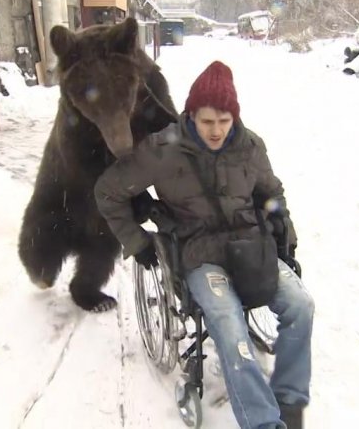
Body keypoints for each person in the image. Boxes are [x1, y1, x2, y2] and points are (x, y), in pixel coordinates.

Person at [95, 61, 313, 429]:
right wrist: (137, 240)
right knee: (229, 324)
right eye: (207, 121)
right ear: (191, 114)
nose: (216, 131)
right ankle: (263, 423)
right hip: (198, 255)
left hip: (250, 247)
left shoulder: (249, 146)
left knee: (301, 305)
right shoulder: (162, 150)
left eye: (224, 122)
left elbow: (272, 194)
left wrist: (285, 240)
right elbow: (108, 191)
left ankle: (289, 399)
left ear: (234, 118)